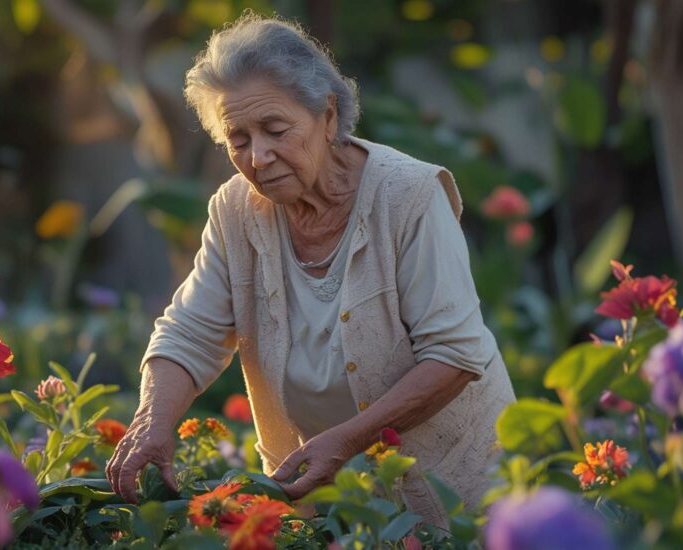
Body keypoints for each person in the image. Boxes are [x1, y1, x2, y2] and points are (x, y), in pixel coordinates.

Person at [106, 13, 516, 527]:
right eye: (238, 139)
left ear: (327, 116)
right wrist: (153, 422)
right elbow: (189, 332)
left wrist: (346, 441)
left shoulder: (408, 197)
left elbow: (455, 353)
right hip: (321, 497)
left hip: (454, 494)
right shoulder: (235, 210)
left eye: (275, 130)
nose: (258, 156)